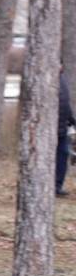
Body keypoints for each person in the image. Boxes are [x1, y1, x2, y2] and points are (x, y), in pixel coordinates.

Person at [58, 69, 74, 197]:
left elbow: (65, 104)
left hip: (63, 128)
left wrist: (72, 120)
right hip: (51, 128)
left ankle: (57, 186)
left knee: (63, 155)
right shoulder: (46, 79)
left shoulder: (62, 80)